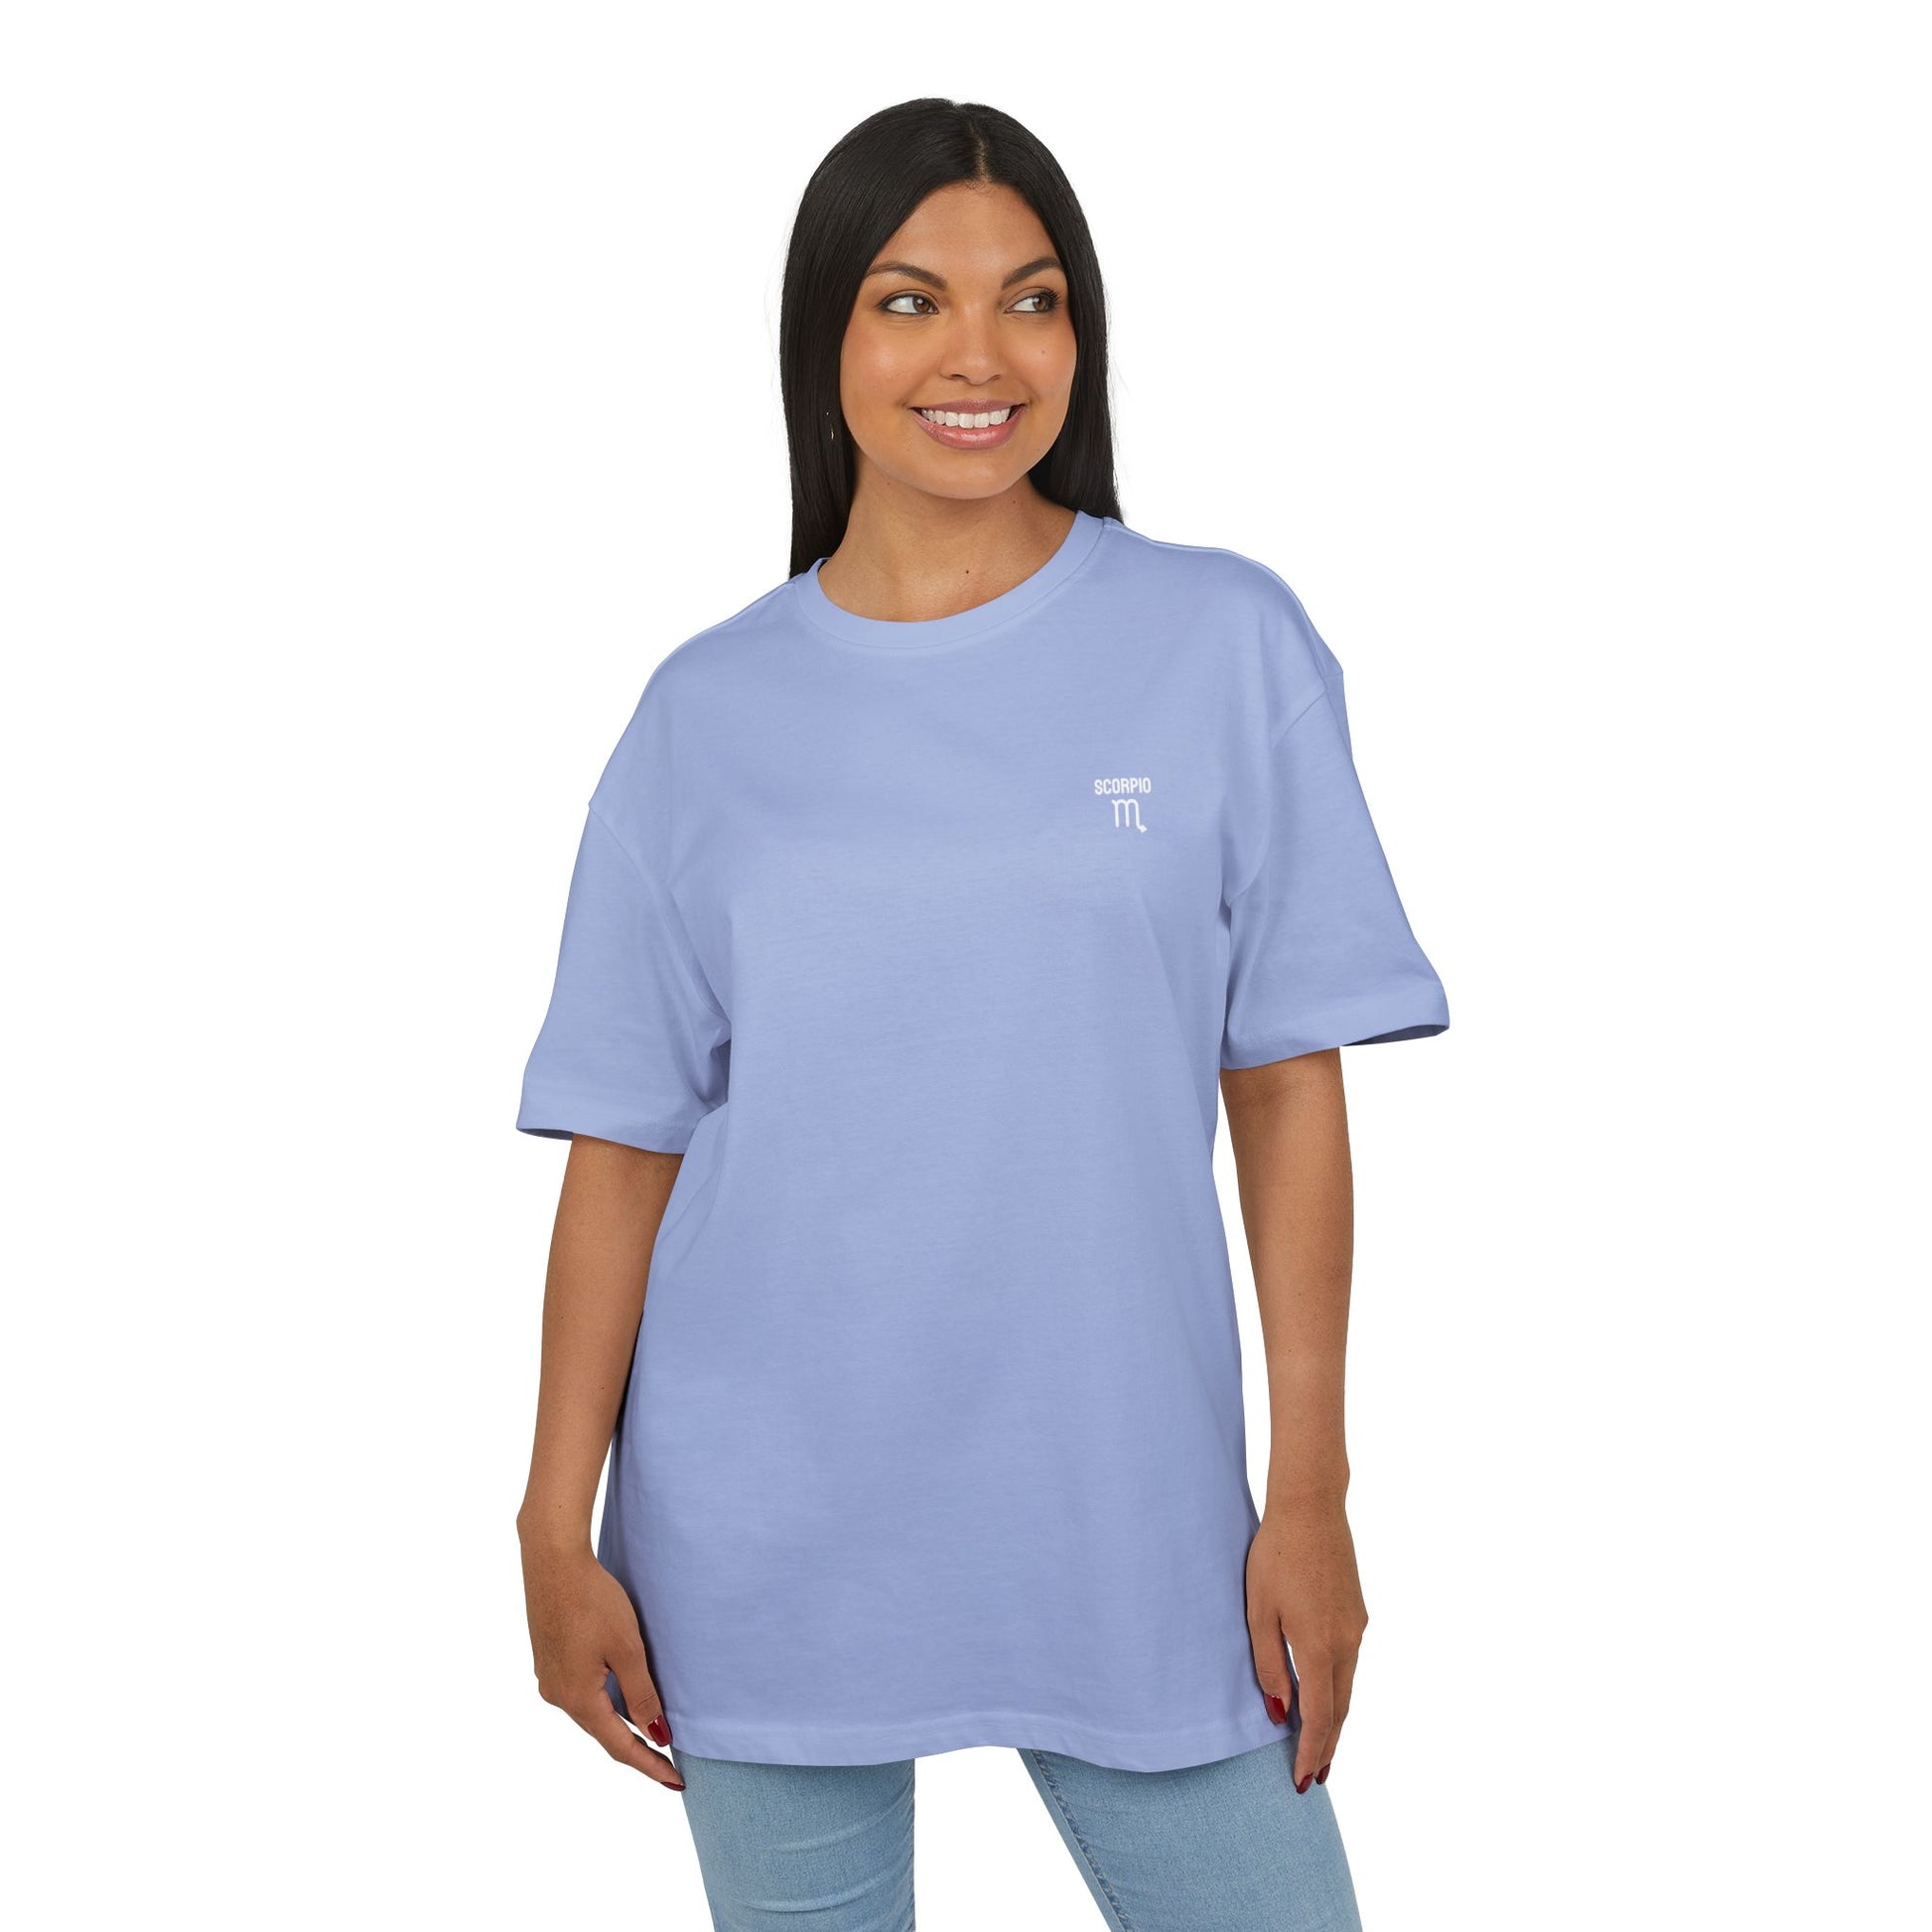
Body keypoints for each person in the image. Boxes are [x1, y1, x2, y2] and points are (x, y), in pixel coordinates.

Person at [513, 96, 1449, 1932]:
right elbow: (625, 1146)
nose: (977, 353)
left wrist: (1311, 1487)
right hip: (760, 1522)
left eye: (1030, 298)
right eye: (907, 299)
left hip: (1125, 1503)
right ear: (823, 338)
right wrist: (552, 1518)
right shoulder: (704, 712)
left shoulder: (1220, 642)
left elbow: (1284, 1085)